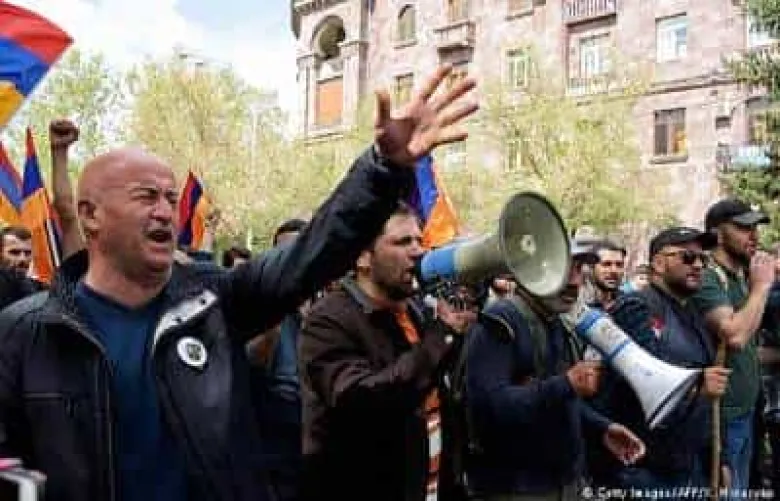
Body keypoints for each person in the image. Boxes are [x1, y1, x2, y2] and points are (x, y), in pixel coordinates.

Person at [0, 65, 479, 501]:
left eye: (170, 198)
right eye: (146, 196)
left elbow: (311, 253)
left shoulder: (214, 301)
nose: (166, 211)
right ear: (90, 215)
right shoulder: (25, 334)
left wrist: (383, 169)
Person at [299, 202, 478, 501]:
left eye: (419, 240)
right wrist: (441, 337)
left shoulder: (415, 312)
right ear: (362, 257)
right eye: (402, 242)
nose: (418, 251)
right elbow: (365, 401)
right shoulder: (328, 320)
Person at [465, 241, 645, 501]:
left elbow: (560, 400)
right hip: (518, 488)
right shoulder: (500, 321)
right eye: (565, 269)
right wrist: (565, 384)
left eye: (579, 269)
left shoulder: (559, 320)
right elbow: (488, 407)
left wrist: (602, 428)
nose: (575, 281)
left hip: (568, 482)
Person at [588, 227, 730, 496]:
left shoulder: (694, 314)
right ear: (658, 263)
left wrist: (719, 457)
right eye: (688, 257)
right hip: (646, 468)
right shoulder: (635, 308)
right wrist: (699, 388)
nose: (698, 265)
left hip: (692, 465)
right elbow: (648, 382)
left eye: (703, 259)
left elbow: (714, 393)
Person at [689, 199, 776, 496]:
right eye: (743, 228)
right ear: (717, 233)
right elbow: (735, 336)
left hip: (746, 413)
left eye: (755, 228)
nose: (754, 236)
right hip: (722, 419)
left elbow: (748, 348)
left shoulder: (738, 278)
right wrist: (762, 287)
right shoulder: (707, 278)